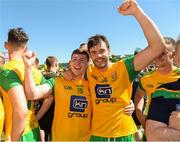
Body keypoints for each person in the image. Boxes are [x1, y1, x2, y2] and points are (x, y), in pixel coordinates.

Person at [64, 0, 166, 141]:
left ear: (109, 51)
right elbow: (71, 68)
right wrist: (67, 72)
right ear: (90, 55)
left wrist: (137, 12)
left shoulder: (124, 66)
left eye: (102, 51)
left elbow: (158, 46)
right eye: (93, 52)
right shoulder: (89, 71)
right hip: (97, 135)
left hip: (124, 134)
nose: (98, 55)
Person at [23, 49, 92, 141]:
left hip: (85, 139)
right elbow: (32, 94)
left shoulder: (92, 84)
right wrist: (28, 67)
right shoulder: (57, 81)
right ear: (70, 62)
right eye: (74, 59)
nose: (77, 63)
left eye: (82, 60)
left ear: (88, 63)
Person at [0, 27, 45, 141]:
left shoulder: (6, 70)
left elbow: (21, 111)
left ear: (6, 45)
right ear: (26, 48)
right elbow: (51, 94)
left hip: (17, 133)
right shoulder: (35, 71)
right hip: (33, 129)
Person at [135, 37, 179, 128]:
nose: (158, 57)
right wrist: (142, 118)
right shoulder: (146, 78)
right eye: (156, 53)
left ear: (173, 53)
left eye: (163, 53)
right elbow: (139, 97)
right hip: (153, 127)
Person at [35, 56, 59, 141]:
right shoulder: (57, 78)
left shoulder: (41, 77)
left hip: (40, 111)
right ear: (56, 64)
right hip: (53, 113)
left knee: (42, 134)